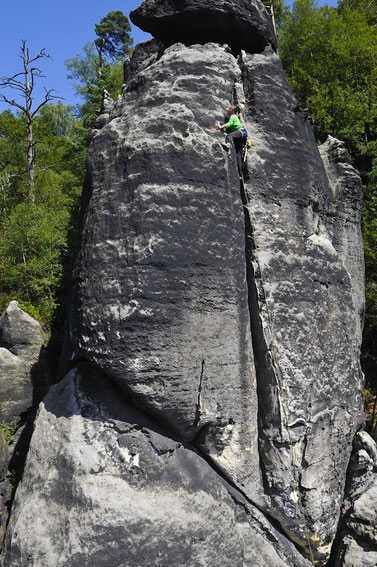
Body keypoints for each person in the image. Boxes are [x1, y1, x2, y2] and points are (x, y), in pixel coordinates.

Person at [215, 106, 248, 174]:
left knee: (230, 135)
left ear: (233, 111)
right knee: (238, 154)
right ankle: (240, 172)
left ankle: (228, 145)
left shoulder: (233, 116)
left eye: (229, 109)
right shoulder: (235, 117)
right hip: (241, 137)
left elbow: (229, 124)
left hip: (241, 132)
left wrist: (220, 127)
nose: (228, 110)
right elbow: (229, 128)